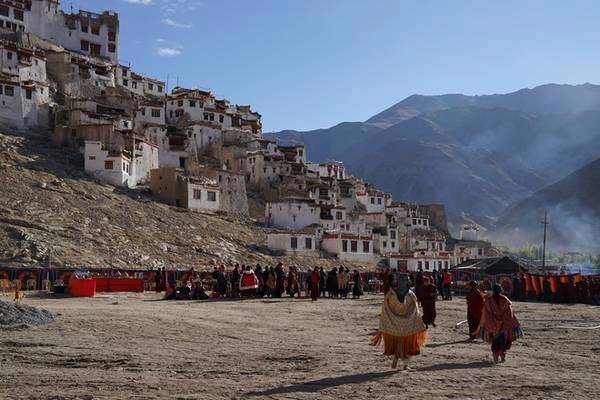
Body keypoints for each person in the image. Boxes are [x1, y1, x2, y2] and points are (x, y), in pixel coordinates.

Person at [371, 275, 428, 370]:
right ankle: (405, 365)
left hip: (394, 326)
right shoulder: (411, 295)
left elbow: (385, 309)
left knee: (398, 344)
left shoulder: (390, 295)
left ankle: (397, 358)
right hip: (409, 327)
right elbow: (415, 310)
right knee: (410, 346)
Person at [478, 284, 522, 363]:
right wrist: (507, 322)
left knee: (495, 341)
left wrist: (488, 322)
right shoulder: (505, 300)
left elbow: (486, 312)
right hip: (503, 325)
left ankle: (495, 356)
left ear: (493, 290)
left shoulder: (488, 300)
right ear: (501, 290)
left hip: (492, 324)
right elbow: (509, 312)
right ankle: (502, 356)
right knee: (503, 341)